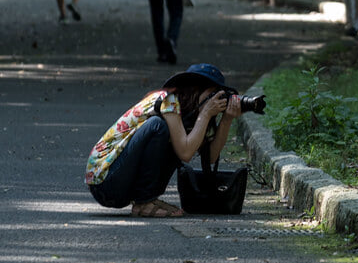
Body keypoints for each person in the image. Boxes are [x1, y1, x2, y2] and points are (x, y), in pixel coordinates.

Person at [85, 63, 241, 218]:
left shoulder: (191, 114)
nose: (216, 100)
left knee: (174, 138)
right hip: (106, 181)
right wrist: (205, 114)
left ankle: (147, 200)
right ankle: (144, 201)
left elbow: (210, 157)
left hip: (121, 186)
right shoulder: (169, 100)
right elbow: (185, 153)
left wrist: (227, 120)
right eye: (213, 94)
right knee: (158, 126)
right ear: (196, 89)